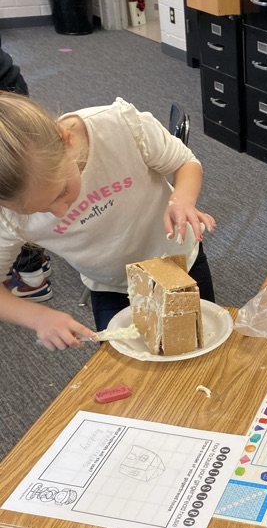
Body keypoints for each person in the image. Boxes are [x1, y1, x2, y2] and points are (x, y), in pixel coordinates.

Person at [0, 93, 216, 349]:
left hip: (178, 260)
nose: (60, 212)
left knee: (199, 343)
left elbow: (185, 162)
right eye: (38, 211)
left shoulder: (117, 127)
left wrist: (182, 199)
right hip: (112, 287)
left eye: (61, 193)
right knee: (126, 362)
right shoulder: (6, 217)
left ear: (65, 139)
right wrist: (38, 317)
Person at [0, 33, 52, 301]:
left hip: (8, 95)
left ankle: (32, 275)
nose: (62, 213)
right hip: (9, 88)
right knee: (25, 197)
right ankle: (33, 266)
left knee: (26, 188)